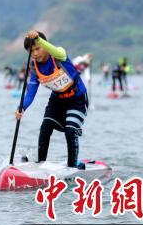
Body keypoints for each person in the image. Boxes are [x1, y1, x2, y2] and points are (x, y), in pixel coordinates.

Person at [15, 30, 88, 169]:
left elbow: (53, 49)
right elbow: (30, 93)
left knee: (70, 131)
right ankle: (40, 165)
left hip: (77, 99)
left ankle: (72, 166)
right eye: (31, 51)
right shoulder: (35, 68)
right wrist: (22, 108)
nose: (35, 53)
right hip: (57, 100)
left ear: (45, 45)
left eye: (38, 48)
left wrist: (38, 38)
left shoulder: (59, 54)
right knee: (45, 127)